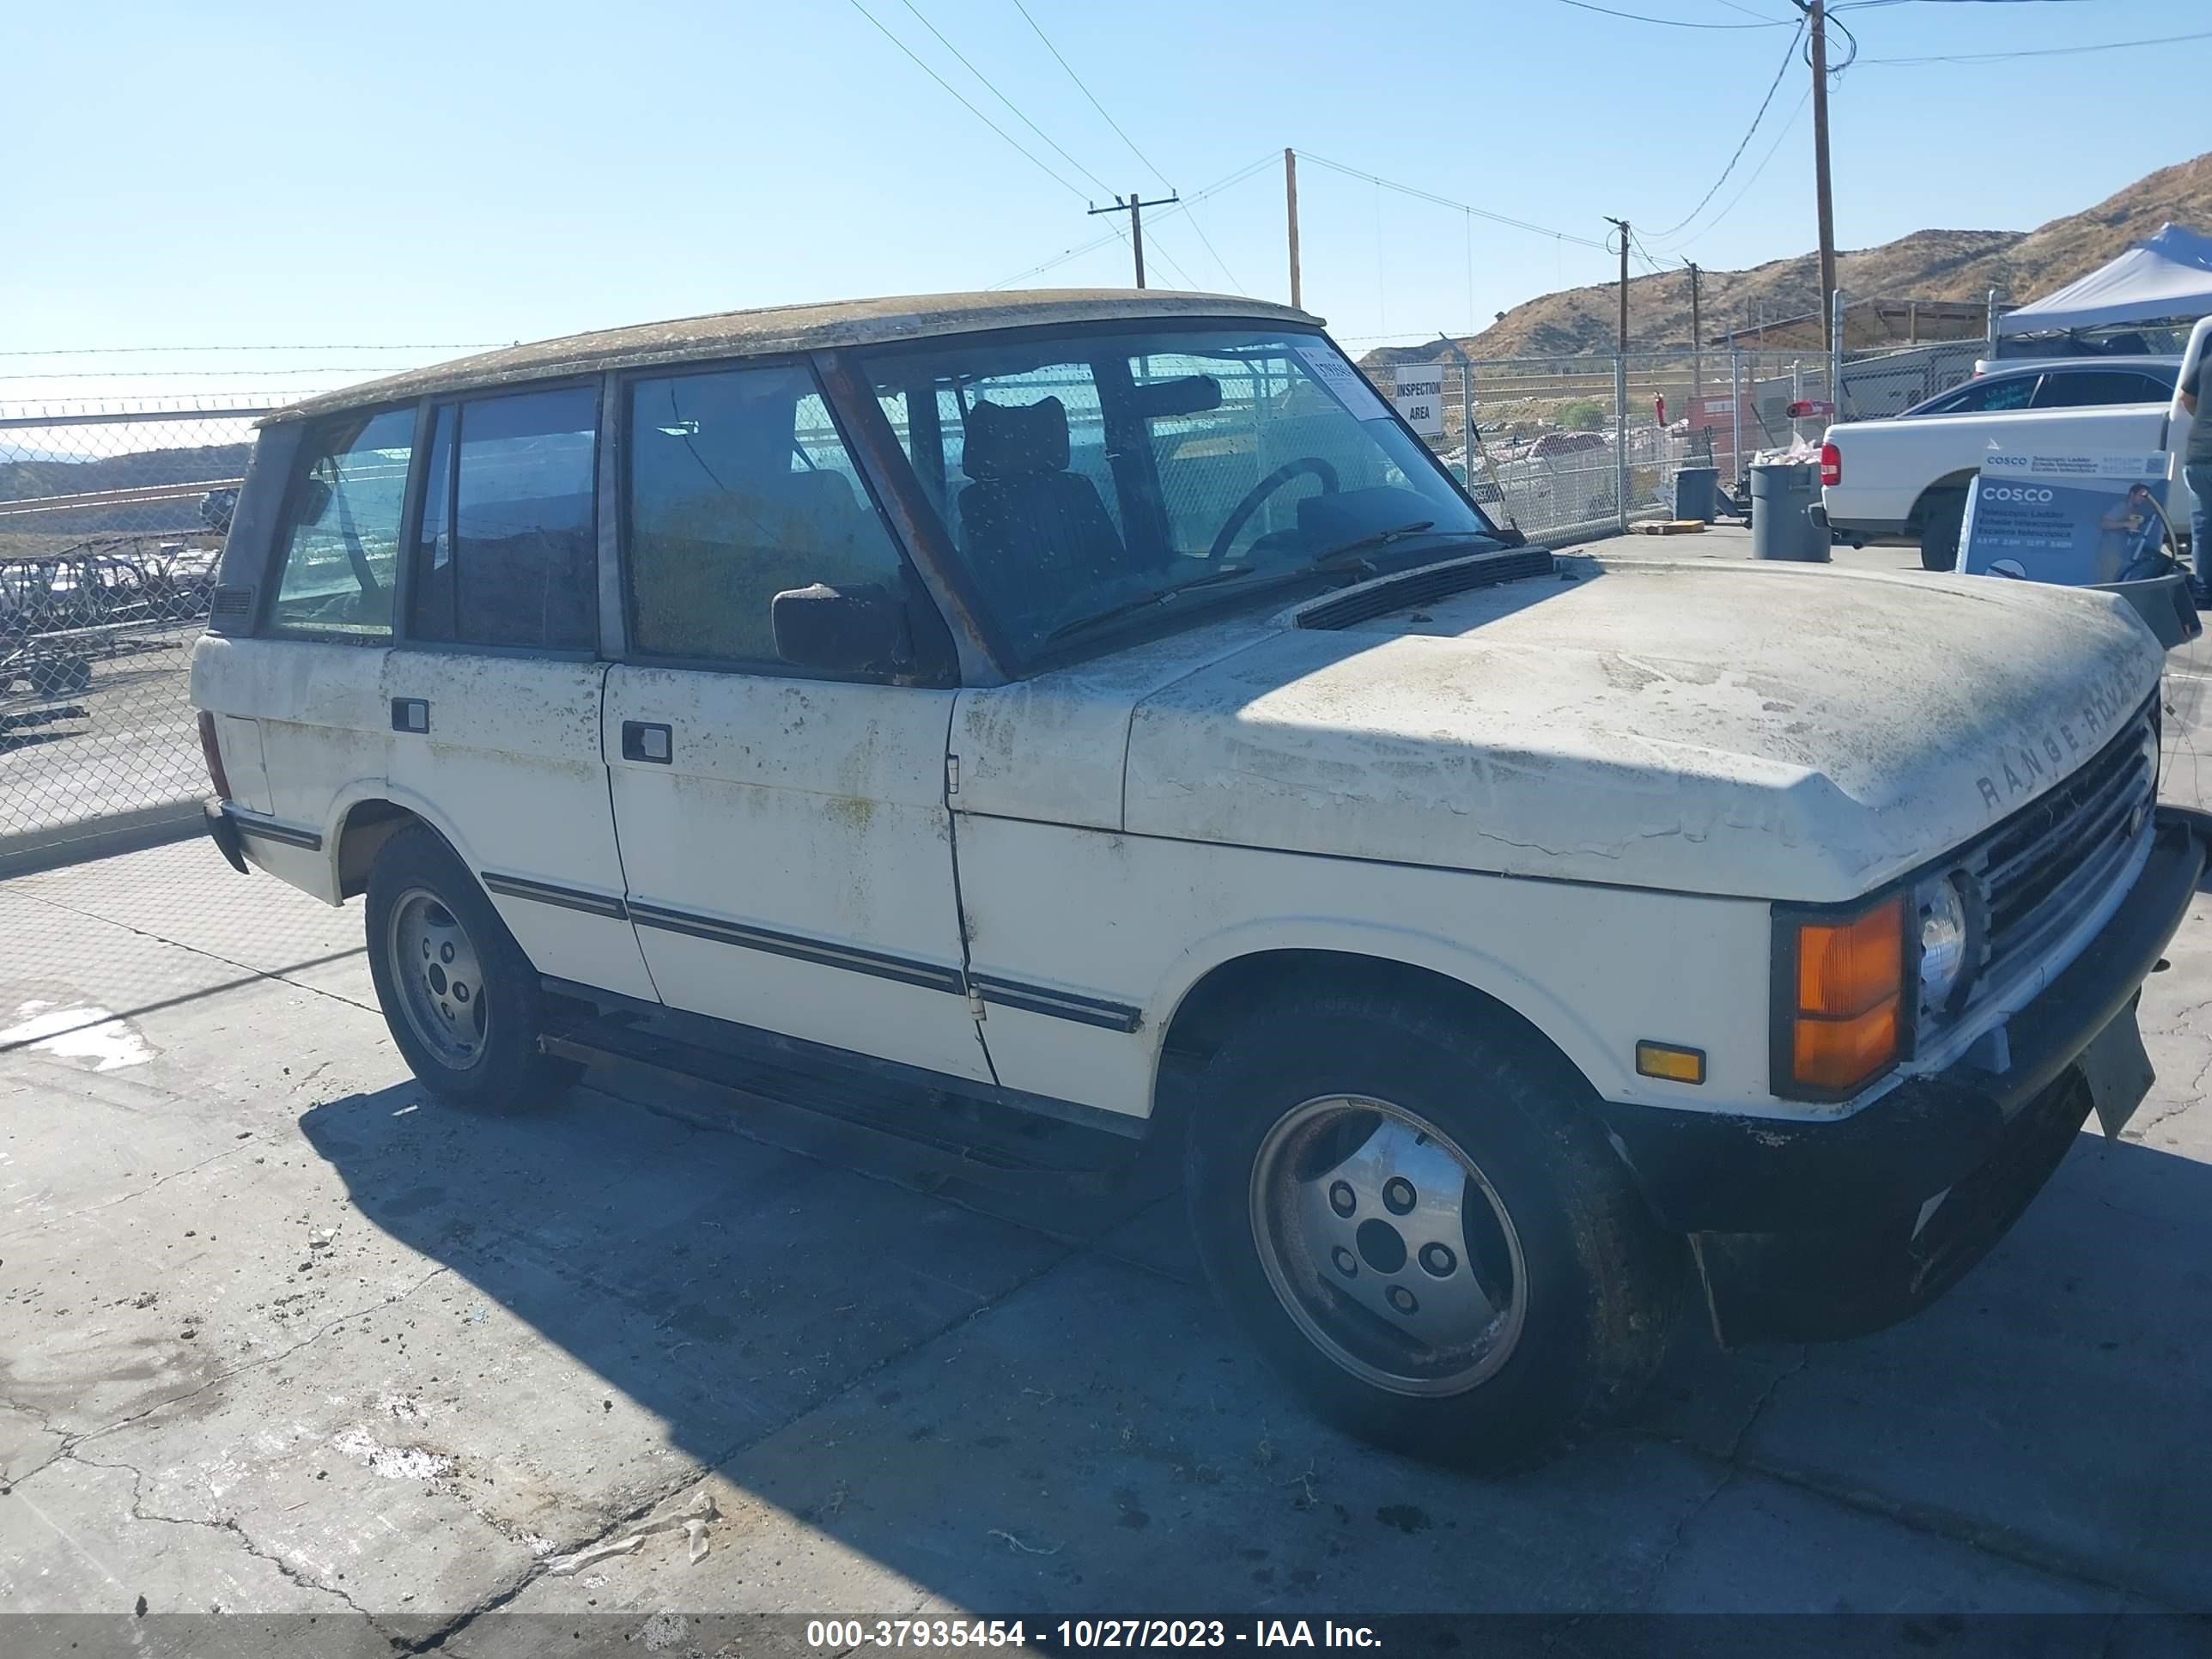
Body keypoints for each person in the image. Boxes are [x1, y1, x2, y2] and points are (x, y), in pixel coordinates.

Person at [2181, 348, 2212, 592]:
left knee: (2204, 526)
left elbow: (2186, 398)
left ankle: (2203, 588)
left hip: (2199, 453)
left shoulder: (2208, 362)